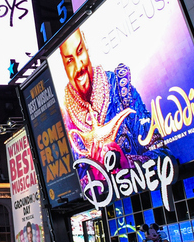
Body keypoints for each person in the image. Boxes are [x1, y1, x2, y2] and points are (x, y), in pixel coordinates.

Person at [58, 29, 168, 171]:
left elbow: (164, 156)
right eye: (69, 61)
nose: (78, 66)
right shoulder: (64, 121)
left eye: (80, 52)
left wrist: (125, 163)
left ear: (87, 49)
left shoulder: (120, 88)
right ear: (64, 66)